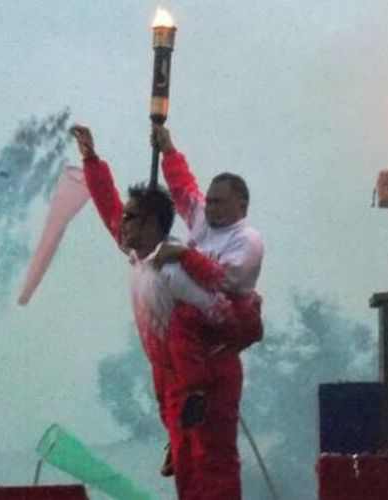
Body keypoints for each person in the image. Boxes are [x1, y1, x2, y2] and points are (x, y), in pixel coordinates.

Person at [70, 124, 235, 498]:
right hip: (165, 374)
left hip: (196, 379)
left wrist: (209, 377)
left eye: (130, 218)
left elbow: (222, 312)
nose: (120, 223)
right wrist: (91, 160)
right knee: (186, 469)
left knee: (204, 470)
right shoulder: (137, 254)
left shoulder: (175, 267)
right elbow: (108, 204)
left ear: (151, 224)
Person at [151, 124, 265, 500]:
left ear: (241, 205)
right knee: (186, 457)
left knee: (214, 457)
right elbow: (184, 189)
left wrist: (184, 254)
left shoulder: (247, 242)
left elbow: (220, 281)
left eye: (220, 202)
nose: (210, 207)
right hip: (187, 359)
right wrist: (168, 149)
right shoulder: (202, 219)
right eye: (211, 201)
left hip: (218, 349)